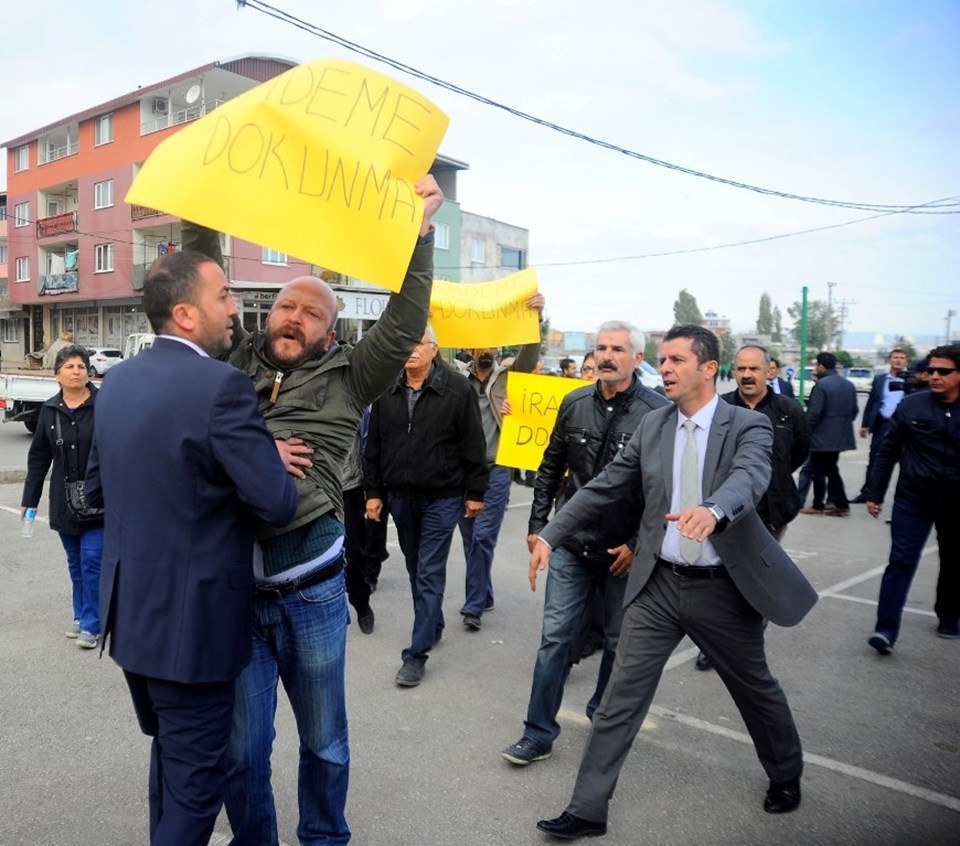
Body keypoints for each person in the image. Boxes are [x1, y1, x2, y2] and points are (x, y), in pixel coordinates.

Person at [182, 175, 443, 844]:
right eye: (286, 306)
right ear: (267, 314)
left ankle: (325, 839)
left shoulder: (355, 375)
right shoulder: (230, 361)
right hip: (235, 593)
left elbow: (406, 320)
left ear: (331, 331)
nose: (294, 317)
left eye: (312, 313)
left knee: (325, 744)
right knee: (241, 754)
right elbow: (199, 272)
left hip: (312, 593)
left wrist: (420, 238)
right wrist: (199, 196)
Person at [533, 325, 817, 840]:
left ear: (709, 369)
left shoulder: (746, 425)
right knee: (620, 697)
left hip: (723, 588)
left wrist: (714, 510)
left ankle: (785, 772)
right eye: (661, 360)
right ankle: (587, 809)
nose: (664, 368)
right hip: (658, 585)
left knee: (754, 689)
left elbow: (750, 478)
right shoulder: (653, 426)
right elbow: (603, 487)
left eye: (677, 360)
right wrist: (550, 535)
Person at [84, 251, 298, 846]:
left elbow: (101, 486)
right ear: (184, 313)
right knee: (197, 786)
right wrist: (263, 459)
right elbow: (276, 503)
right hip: (192, 625)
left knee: (173, 765)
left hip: (131, 617)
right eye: (224, 296)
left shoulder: (119, 379)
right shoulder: (222, 386)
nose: (235, 310)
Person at [501, 321, 669, 766]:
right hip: (572, 546)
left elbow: (662, 492)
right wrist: (539, 525)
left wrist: (636, 543)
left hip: (622, 555)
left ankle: (602, 714)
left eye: (618, 348)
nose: (607, 355)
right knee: (555, 638)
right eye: (601, 348)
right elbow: (549, 467)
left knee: (617, 642)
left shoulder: (656, 413)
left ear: (637, 357)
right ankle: (537, 733)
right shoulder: (573, 404)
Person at [365, 326, 489, 686]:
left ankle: (416, 655)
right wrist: (374, 492)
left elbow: (473, 443)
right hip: (400, 496)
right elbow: (373, 446)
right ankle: (432, 623)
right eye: (406, 341)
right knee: (414, 565)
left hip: (443, 496)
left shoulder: (457, 389)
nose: (411, 349)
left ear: (434, 349)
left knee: (429, 572)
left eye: (418, 342)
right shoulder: (387, 390)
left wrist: (475, 492)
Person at [695, 344, 809, 671]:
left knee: (758, 581)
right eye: (741, 369)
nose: (746, 375)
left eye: (754, 369)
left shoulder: (790, 411)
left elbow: (797, 454)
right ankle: (713, 645)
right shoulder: (718, 408)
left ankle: (745, 643)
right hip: (725, 513)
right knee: (720, 581)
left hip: (773, 512)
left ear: (768, 371)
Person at [454, 297, 544, 630]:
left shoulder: (509, 377)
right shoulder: (456, 377)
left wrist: (536, 315)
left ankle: (474, 606)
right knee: (468, 538)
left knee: (483, 537)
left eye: (491, 343)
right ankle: (485, 593)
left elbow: (531, 354)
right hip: (463, 471)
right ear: (469, 348)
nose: (485, 349)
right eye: (479, 344)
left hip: (496, 469)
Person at [865, 345, 960, 653]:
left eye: (943, 371)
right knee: (901, 561)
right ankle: (885, 629)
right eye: (931, 370)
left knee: (953, 563)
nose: (934, 376)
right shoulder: (912, 406)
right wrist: (875, 493)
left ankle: (948, 616)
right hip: (914, 499)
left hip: (955, 501)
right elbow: (888, 450)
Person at [21, 344, 105, 649]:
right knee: (76, 563)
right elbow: (39, 458)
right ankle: (82, 615)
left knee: (92, 560)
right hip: (64, 503)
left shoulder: (105, 404)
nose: (76, 371)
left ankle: (92, 625)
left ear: (88, 372)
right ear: (57, 374)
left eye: (81, 366)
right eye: (69, 367)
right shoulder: (49, 410)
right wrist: (29, 501)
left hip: (100, 501)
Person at [800, 352, 858, 517]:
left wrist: (804, 433)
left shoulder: (821, 385)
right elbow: (854, 411)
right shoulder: (848, 384)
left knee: (819, 471)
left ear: (821, 366)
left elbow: (813, 414)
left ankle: (818, 505)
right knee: (831, 470)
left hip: (821, 438)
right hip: (840, 436)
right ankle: (841, 503)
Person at [851, 348, 909, 504]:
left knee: (906, 464)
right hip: (882, 424)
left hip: (903, 427)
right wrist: (865, 425)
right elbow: (872, 402)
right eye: (895, 357)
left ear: (906, 361)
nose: (898, 360)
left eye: (901, 357)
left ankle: (903, 499)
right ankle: (868, 493)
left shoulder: (911, 381)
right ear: (890, 360)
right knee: (875, 460)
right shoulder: (880, 379)